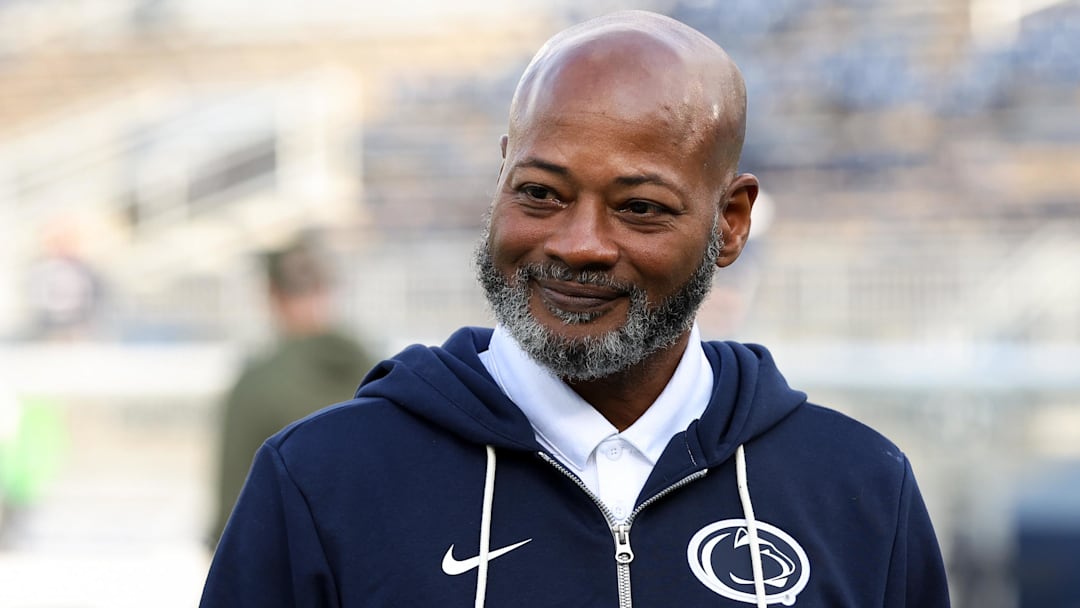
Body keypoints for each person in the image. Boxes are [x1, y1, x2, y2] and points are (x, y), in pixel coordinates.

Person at [201, 11, 950, 607]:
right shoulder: (321, 480)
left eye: (639, 207)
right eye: (540, 193)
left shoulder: (861, 491)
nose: (579, 244)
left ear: (730, 223)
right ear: (501, 176)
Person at [208, 237, 375, 546]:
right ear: (327, 289)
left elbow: (233, 510)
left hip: (293, 560)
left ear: (271, 294)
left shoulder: (256, 384)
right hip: (373, 556)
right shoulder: (378, 371)